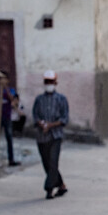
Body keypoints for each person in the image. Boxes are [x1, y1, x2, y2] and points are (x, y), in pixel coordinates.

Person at [32, 70, 69, 200]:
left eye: (51, 82)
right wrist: (42, 124)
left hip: (55, 136)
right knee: (47, 163)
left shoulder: (61, 99)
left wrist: (51, 125)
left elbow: (64, 119)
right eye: (47, 82)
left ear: (55, 83)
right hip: (42, 137)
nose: (49, 84)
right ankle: (61, 185)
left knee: (53, 162)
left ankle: (49, 189)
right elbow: (35, 116)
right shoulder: (39, 99)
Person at [0, 72, 19, 166]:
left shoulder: (11, 90)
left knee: (9, 137)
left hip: (7, 117)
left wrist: (5, 88)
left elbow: (13, 100)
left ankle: (11, 159)